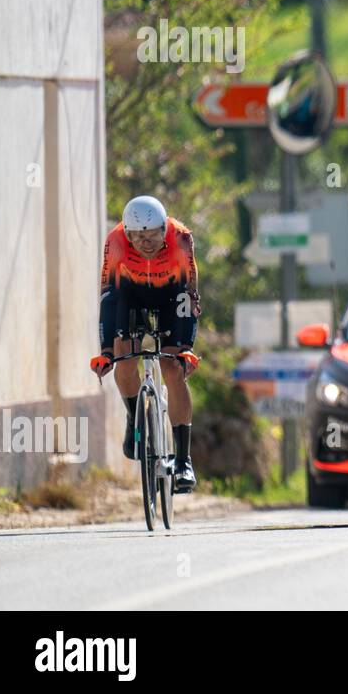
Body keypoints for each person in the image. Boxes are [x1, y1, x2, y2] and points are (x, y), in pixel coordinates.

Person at [89, 196, 201, 491]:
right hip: (130, 294)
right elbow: (108, 296)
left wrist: (185, 347)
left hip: (171, 295)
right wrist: (106, 352)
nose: (146, 242)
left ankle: (183, 461)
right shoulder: (114, 242)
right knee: (122, 363)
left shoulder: (181, 239)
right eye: (138, 236)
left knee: (173, 369)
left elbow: (189, 295)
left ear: (164, 229)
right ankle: (134, 416)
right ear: (127, 233)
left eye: (153, 234)